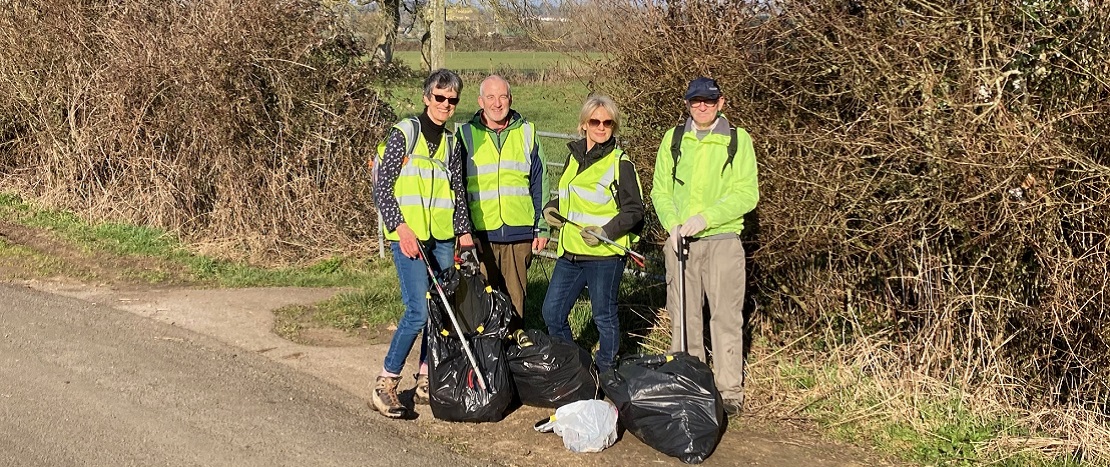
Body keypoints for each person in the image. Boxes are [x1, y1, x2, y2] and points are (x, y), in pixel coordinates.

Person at [650, 77, 759, 416]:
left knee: (726, 318)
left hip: (723, 241)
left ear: (720, 103)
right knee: (684, 319)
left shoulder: (738, 141)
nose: (701, 106)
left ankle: (729, 393)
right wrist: (673, 225)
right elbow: (659, 190)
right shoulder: (673, 139)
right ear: (687, 103)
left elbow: (747, 194)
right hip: (680, 242)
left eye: (708, 101)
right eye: (696, 101)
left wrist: (706, 218)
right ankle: (690, 385)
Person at [370, 69, 474, 418]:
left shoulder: (452, 142)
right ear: (427, 97)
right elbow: (382, 187)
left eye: (452, 100)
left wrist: (464, 235)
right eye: (440, 97)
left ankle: (427, 378)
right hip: (410, 237)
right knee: (417, 311)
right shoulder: (405, 133)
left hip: (442, 237)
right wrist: (401, 228)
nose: (446, 105)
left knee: (439, 310)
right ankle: (386, 383)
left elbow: (458, 193)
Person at [540, 95, 644, 373]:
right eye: (595, 121)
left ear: (614, 126)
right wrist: (552, 209)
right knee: (552, 312)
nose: (601, 127)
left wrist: (605, 231)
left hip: (605, 255)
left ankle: (606, 371)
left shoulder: (620, 163)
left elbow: (634, 211)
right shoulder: (572, 158)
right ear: (583, 124)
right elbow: (568, 197)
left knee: (604, 318)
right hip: (571, 252)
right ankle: (574, 367)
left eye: (608, 122)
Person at [456, 75, 548, 317]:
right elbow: (457, 188)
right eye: (490, 97)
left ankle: (514, 352)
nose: (497, 103)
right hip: (480, 234)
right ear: (480, 101)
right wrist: (464, 231)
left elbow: (540, 182)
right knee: (479, 305)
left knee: (516, 305)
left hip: (519, 233)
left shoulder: (527, 132)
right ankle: (485, 353)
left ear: (511, 99)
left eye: (503, 96)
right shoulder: (465, 135)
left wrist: (542, 227)